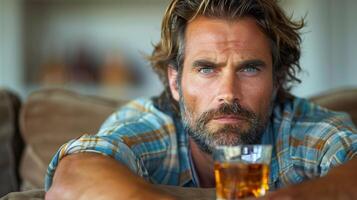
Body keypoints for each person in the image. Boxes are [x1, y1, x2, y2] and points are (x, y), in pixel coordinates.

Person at [45, 0, 357, 199]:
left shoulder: (298, 127)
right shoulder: (151, 125)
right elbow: (74, 174)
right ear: (175, 81)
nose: (229, 93)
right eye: (207, 68)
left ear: (276, 80)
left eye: (249, 68)